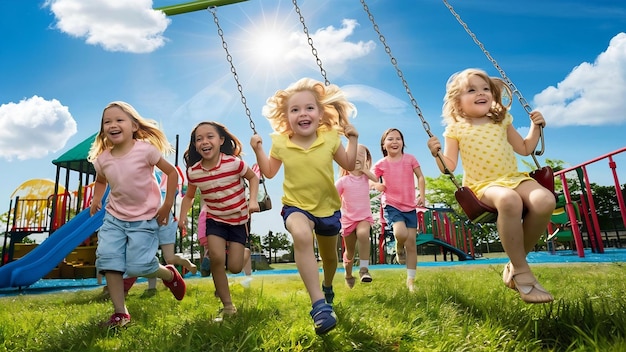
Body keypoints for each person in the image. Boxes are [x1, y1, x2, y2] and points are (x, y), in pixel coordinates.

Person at [426, 68, 556, 304]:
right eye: (472, 90)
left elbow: (525, 148)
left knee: (545, 200)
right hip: (482, 186)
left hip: (513, 177)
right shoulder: (456, 129)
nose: (481, 93)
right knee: (509, 200)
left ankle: (515, 265)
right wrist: (437, 154)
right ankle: (523, 272)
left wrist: (535, 127)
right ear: (457, 102)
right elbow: (450, 167)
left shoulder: (502, 121)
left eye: (485, 88)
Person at [250, 77, 359, 335]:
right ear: (286, 117)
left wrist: (352, 140)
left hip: (328, 208)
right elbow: (269, 172)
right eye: (295, 109)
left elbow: (350, 164)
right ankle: (319, 305)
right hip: (296, 206)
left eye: (309, 108)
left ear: (320, 113)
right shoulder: (281, 143)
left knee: (330, 258)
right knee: (300, 234)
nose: (302, 114)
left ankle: (328, 285)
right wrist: (258, 150)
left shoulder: (331, 138)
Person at [88, 101, 187, 328]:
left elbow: (172, 173)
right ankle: (120, 314)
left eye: (119, 120)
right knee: (109, 259)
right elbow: (101, 180)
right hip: (114, 217)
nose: (112, 125)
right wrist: (96, 198)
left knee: (138, 267)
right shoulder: (103, 159)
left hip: (144, 218)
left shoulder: (145, 150)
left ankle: (170, 275)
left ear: (134, 126)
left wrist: (167, 205)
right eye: (107, 122)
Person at [178, 121, 260, 319]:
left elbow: (253, 178)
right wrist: (181, 218)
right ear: (195, 145)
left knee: (234, 267)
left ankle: (244, 253)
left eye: (210, 137)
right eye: (199, 139)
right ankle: (228, 306)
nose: (204, 142)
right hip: (215, 220)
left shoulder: (234, 163)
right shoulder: (194, 172)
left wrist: (253, 201)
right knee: (216, 258)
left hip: (239, 221)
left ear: (221, 140)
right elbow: (189, 196)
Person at [373, 128, 426, 292]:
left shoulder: (410, 159)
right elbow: (369, 179)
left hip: (410, 205)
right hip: (391, 204)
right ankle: (398, 246)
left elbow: (420, 177)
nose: (394, 142)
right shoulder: (381, 164)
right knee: (401, 234)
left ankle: (410, 281)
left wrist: (421, 195)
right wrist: (376, 184)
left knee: (412, 245)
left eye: (398, 139)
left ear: (403, 143)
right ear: (384, 144)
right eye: (390, 139)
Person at [335, 144, 377, 288]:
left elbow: (376, 179)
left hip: (364, 217)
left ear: (366, 160)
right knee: (350, 251)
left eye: (362, 155)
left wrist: (364, 169)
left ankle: (364, 270)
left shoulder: (366, 178)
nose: (358, 157)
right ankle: (348, 274)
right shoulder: (342, 181)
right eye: (355, 154)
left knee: (363, 233)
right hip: (347, 221)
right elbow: (333, 198)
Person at [197, 207, 253, 287]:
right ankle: (247, 279)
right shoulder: (231, 208)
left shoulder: (207, 208)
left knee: (217, 265)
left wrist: (207, 246)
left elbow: (202, 234)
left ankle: (219, 285)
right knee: (246, 251)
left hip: (214, 251)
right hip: (227, 251)